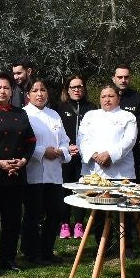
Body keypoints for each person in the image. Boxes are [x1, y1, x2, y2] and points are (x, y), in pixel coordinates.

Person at [0, 73, 35, 274]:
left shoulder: (21, 114)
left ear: (12, 91)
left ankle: (9, 258)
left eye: (6, 88)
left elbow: (30, 142)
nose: (3, 91)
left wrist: (23, 161)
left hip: (16, 175)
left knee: (12, 220)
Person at [22, 79, 72, 264]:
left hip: (55, 173)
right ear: (28, 94)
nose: (39, 94)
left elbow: (65, 139)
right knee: (33, 214)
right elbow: (24, 143)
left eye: (43, 90)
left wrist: (62, 151)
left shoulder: (54, 115)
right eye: (35, 90)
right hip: (34, 173)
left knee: (56, 212)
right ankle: (31, 252)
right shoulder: (24, 114)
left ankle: (47, 250)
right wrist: (43, 151)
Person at [58, 74, 95, 239]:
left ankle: (79, 223)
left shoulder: (92, 108)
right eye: (73, 87)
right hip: (66, 155)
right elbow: (57, 133)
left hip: (84, 156)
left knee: (82, 189)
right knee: (64, 189)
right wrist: (67, 147)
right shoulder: (60, 108)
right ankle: (65, 223)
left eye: (80, 86)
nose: (77, 90)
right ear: (67, 90)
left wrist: (85, 148)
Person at [78, 84, 138, 181]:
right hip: (92, 173)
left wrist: (110, 155)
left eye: (111, 96)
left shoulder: (128, 116)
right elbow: (81, 138)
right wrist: (94, 155)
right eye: (103, 97)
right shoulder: (90, 115)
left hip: (120, 174)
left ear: (119, 98)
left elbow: (129, 140)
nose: (107, 99)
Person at [112, 64, 140, 179]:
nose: (123, 80)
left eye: (126, 77)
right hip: (109, 151)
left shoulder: (138, 98)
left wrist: (125, 144)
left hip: (131, 151)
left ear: (130, 78)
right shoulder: (107, 97)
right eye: (120, 77)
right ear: (114, 78)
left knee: (131, 188)